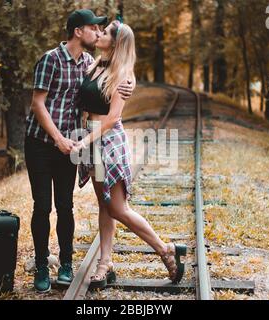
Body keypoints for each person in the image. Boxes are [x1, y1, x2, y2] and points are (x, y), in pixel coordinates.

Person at [24, 9, 134, 293]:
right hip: (40, 143)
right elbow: (38, 104)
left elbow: (112, 75)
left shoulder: (89, 63)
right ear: (78, 32)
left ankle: (65, 265)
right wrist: (58, 138)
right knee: (42, 206)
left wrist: (129, 81)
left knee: (65, 206)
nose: (98, 33)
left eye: (102, 30)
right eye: (93, 28)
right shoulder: (50, 60)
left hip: (69, 145)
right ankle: (40, 266)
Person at [72, 20, 187, 289]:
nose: (99, 33)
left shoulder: (123, 74)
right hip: (92, 139)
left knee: (117, 207)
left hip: (107, 140)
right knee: (104, 205)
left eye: (105, 32)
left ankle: (165, 248)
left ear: (116, 42)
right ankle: (105, 263)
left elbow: (112, 118)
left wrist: (84, 141)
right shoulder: (95, 64)